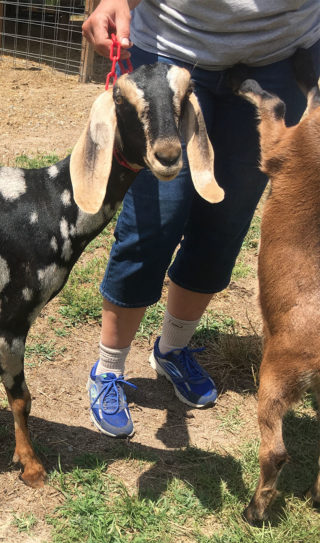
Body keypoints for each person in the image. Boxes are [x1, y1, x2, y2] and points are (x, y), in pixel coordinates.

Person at [81, 0, 320, 438]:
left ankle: (172, 349)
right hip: (172, 51)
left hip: (279, 59)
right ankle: (109, 367)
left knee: (224, 224)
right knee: (154, 226)